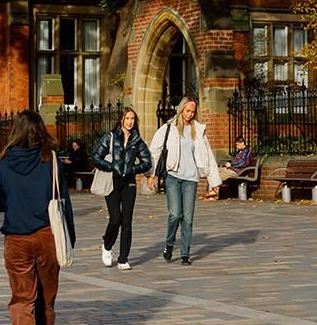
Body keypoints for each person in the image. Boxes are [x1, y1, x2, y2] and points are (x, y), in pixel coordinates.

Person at [0, 110, 75, 325]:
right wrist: (70, 237)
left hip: (15, 238)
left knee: (21, 297)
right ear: (40, 130)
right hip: (47, 235)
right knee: (46, 299)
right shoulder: (51, 161)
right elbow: (64, 202)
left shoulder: (2, 165)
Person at [146, 95, 221, 266]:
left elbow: (208, 156)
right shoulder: (168, 128)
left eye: (193, 112)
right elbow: (155, 151)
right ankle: (169, 244)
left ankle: (185, 253)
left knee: (187, 218)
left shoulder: (198, 130)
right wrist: (152, 174)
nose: (190, 114)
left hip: (191, 179)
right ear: (181, 110)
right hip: (172, 176)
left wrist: (214, 182)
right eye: (187, 111)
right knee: (175, 214)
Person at [92, 107, 152, 271]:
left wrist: (133, 169)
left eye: (132, 118)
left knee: (127, 221)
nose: (130, 122)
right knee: (115, 219)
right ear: (121, 120)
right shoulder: (110, 137)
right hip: (112, 182)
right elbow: (96, 157)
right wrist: (111, 166)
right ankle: (107, 244)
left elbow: (147, 162)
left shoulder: (137, 141)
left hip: (129, 184)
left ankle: (123, 258)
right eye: (127, 118)